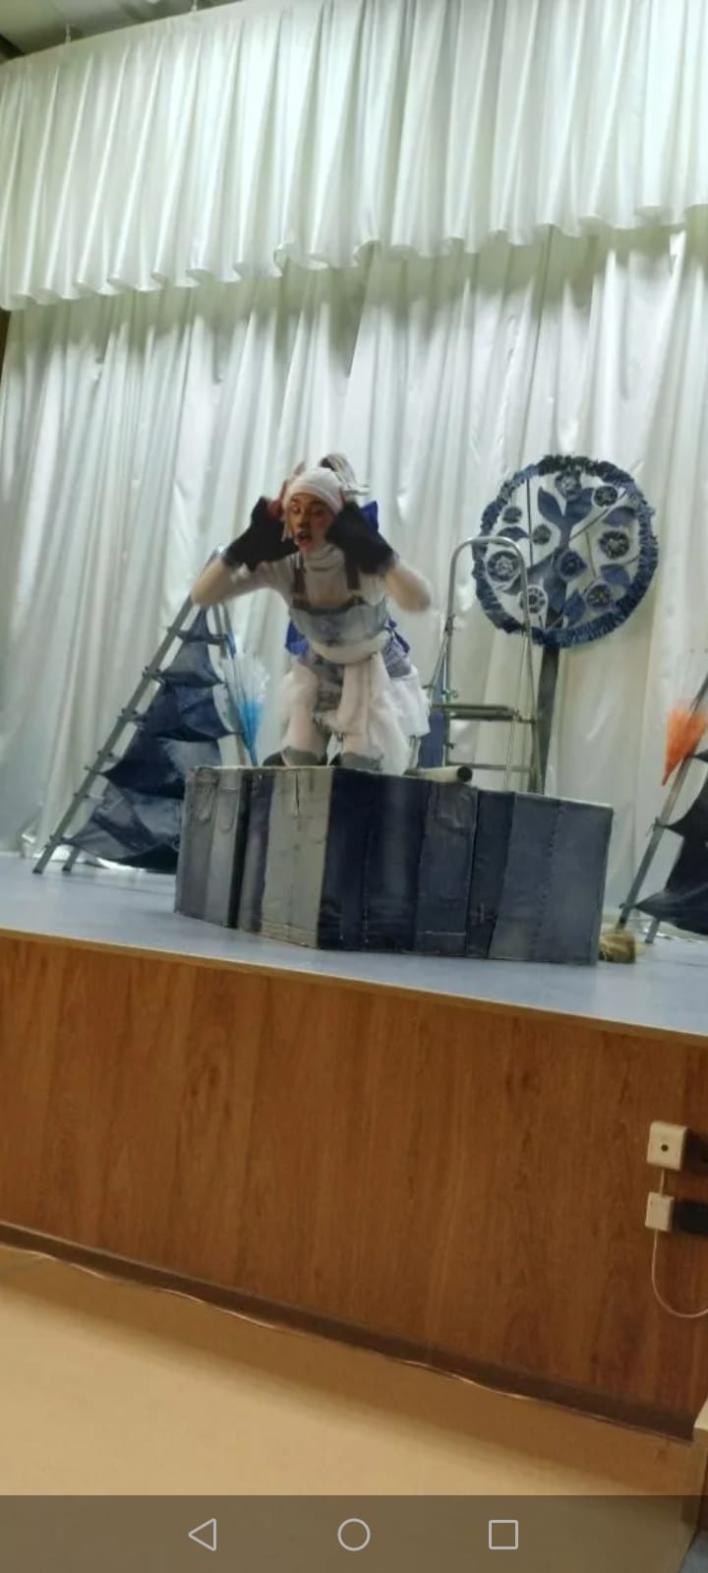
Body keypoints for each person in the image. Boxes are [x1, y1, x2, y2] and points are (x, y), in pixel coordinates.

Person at [191, 467, 431, 773]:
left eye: (317, 512)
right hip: (319, 669)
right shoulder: (287, 567)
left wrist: (379, 555)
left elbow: (419, 600)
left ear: (339, 520)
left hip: (370, 671)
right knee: (299, 762)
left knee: (359, 767)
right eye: (295, 510)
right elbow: (202, 595)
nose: (303, 522)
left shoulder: (361, 566)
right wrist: (242, 548)